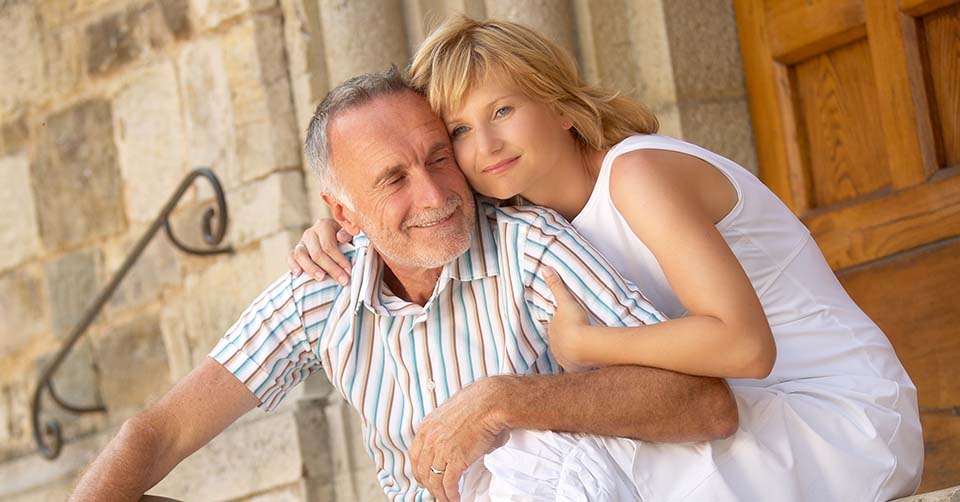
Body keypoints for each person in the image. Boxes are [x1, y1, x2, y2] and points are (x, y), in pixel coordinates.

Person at [289, 16, 924, 502]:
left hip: (836, 419)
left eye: (503, 110)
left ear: (561, 107)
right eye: (457, 130)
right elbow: (398, 211)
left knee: (541, 447)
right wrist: (344, 227)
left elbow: (745, 348)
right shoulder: (525, 219)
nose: (485, 144)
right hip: (753, 414)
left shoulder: (635, 174)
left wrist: (586, 347)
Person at [68, 68, 739, 502]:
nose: (438, 194)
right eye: (394, 179)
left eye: (439, 158)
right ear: (342, 214)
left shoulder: (527, 246)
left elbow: (706, 405)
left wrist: (505, 401)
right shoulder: (320, 286)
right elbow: (157, 433)